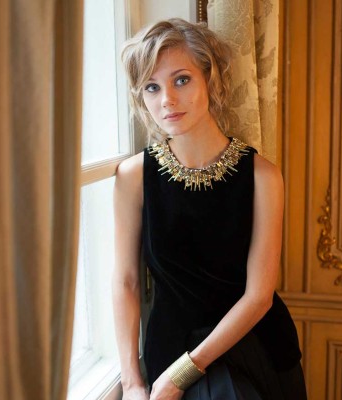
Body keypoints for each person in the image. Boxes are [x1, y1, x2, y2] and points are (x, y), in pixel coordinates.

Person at [113, 18, 306, 400]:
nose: (166, 100)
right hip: (170, 349)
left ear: (210, 79)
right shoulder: (133, 176)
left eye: (181, 80)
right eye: (152, 87)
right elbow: (126, 282)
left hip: (255, 350)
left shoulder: (263, 177)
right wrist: (132, 381)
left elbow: (259, 296)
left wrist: (183, 373)